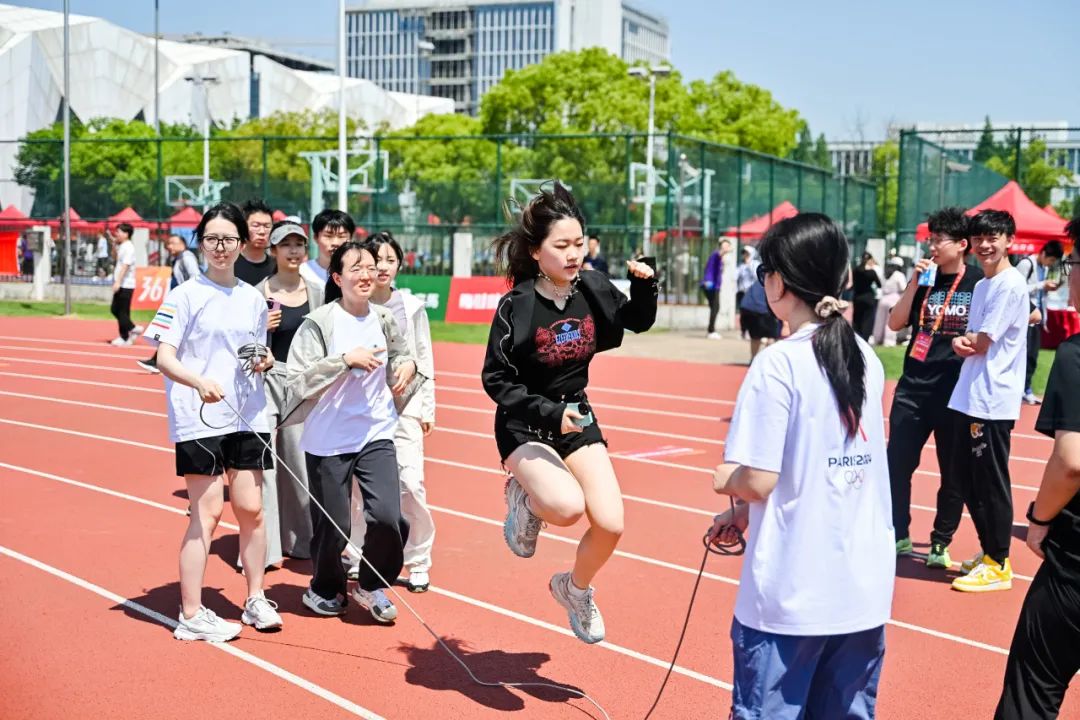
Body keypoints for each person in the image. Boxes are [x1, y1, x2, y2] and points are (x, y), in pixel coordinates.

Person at [709, 213, 894, 720]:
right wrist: (743, 513)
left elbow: (759, 479)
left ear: (778, 282)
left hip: (792, 594)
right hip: (861, 589)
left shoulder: (778, 363)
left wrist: (727, 481)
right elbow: (825, 463)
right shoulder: (865, 355)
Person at [482, 182, 657, 644]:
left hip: (576, 418)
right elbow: (496, 380)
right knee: (566, 508)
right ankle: (524, 500)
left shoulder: (592, 288)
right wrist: (547, 412)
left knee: (611, 524)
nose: (574, 253)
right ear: (535, 252)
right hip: (525, 423)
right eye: (562, 245)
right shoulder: (516, 306)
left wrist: (645, 283)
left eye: (579, 243)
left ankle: (573, 589)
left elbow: (637, 320)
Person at [148, 202, 282, 641]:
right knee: (206, 514)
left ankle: (256, 597)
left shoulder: (252, 298)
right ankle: (190, 613)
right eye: (211, 239)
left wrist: (265, 359)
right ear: (201, 243)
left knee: (252, 510)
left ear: (242, 243)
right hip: (200, 417)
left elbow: (256, 350)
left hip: (248, 414)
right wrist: (198, 380)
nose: (220, 247)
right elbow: (164, 358)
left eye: (228, 239)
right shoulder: (184, 295)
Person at [284, 240, 421, 622]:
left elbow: (402, 352)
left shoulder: (384, 318)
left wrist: (407, 365)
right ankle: (324, 588)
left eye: (370, 267)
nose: (366, 275)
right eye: (356, 268)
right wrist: (344, 360)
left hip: (376, 431)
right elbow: (298, 381)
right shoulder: (320, 323)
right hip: (328, 439)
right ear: (337, 278)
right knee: (336, 526)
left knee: (388, 517)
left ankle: (371, 584)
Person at [995, 223, 1080, 719]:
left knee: (1032, 689)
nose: (1070, 276)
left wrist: (1039, 520)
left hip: (1075, 568)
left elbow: (1071, 461)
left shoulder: (1076, 353)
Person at [886, 207, 983, 566]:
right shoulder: (924, 279)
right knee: (897, 465)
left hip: (955, 392)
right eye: (930, 239)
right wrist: (914, 283)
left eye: (939, 240)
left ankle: (940, 542)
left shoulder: (978, 282)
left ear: (962, 244)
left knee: (953, 473)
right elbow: (895, 323)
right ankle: (898, 534)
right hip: (913, 388)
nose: (932, 246)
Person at [347, 232, 438, 593]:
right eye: (375, 261)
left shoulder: (411, 307)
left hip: (405, 406)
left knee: (411, 484)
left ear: (400, 263)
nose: (382, 267)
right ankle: (358, 552)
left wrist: (427, 407)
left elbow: (424, 356)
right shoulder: (353, 305)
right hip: (363, 408)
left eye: (389, 260)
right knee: (360, 488)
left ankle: (418, 560)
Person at [947, 209, 1030, 593]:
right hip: (969, 394)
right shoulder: (982, 285)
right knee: (965, 479)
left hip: (993, 399)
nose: (984, 245)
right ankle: (991, 551)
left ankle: (999, 562)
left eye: (992, 237)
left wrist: (964, 341)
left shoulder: (1010, 285)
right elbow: (969, 337)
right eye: (979, 238)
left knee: (990, 481)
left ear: (1009, 240)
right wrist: (962, 341)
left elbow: (980, 341)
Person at [244, 221, 325, 566]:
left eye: (299, 244)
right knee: (264, 464)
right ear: (273, 250)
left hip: (302, 382)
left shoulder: (318, 292)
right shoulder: (255, 293)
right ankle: (264, 548)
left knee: (297, 463)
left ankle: (301, 541)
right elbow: (240, 342)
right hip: (264, 379)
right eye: (285, 244)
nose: (293, 250)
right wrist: (259, 327)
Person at [137, 234, 201, 374]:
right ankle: (158, 362)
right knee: (172, 332)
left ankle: (157, 362)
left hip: (186, 302)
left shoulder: (187, 257)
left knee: (170, 331)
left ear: (182, 244)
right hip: (180, 301)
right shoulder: (178, 258)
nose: (169, 246)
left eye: (173, 243)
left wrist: (189, 296)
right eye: (168, 244)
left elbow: (195, 276)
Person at [1015, 241, 1065, 405]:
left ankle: (1026, 389)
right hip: (1024, 318)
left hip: (1037, 318)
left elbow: (1040, 295)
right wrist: (1041, 285)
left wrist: (1048, 288)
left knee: (1032, 356)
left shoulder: (1044, 268)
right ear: (1043, 253)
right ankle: (1019, 389)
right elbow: (1017, 289)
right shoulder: (1026, 264)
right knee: (1021, 356)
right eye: (1051, 260)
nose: (1050, 264)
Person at [299, 209, 354, 291]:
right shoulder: (303, 272)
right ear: (316, 237)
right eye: (328, 236)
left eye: (341, 236)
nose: (335, 243)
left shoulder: (360, 272)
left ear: (351, 238)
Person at [108, 222, 139, 346]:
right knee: (117, 310)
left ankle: (130, 331)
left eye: (118, 232)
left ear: (126, 234)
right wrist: (114, 244)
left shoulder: (129, 247)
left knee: (119, 311)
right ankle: (128, 334)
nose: (116, 234)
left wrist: (118, 282)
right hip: (122, 283)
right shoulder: (122, 246)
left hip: (126, 284)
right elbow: (115, 258)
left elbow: (125, 266)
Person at [233, 199, 275, 286]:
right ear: (243, 227)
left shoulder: (277, 267)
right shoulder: (230, 264)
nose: (262, 231)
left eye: (267, 226)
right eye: (256, 226)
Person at [739, 273, 780, 361]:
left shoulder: (760, 280)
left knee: (756, 336)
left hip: (749, 308)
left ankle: (753, 359)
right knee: (772, 336)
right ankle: (767, 360)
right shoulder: (775, 280)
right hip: (763, 310)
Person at [872, 257, 907, 347]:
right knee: (890, 321)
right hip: (894, 299)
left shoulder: (884, 273)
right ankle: (888, 341)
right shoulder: (899, 275)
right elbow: (903, 288)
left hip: (883, 298)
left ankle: (877, 339)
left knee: (879, 320)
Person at [701, 238, 729, 339]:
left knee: (714, 307)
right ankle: (711, 330)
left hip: (715, 285)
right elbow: (719, 254)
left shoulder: (720, 258)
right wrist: (723, 251)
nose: (727, 248)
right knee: (715, 307)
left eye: (728, 246)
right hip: (711, 285)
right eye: (725, 246)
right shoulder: (716, 254)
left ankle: (711, 330)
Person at [852, 252, 882, 341]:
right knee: (867, 320)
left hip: (857, 297)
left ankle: (856, 337)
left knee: (857, 319)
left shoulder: (856, 270)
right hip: (868, 297)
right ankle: (864, 338)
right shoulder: (871, 272)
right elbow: (879, 285)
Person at [735, 246, 757, 338]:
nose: (745, 255)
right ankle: (744, 331)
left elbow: (756, 276)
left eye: (747, 253)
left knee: (752, 312)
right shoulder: (741, 265)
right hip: (742, 292)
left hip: (752, 292)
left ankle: (751, 330)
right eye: (744, 253)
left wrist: (749, 265)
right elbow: (735, 276)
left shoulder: (755, 264)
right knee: (743, 312)